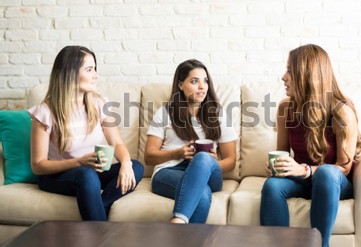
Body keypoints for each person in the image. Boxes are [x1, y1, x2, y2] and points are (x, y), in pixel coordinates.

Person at [260, 44, 361, 247]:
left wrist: (305, 170)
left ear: (307, 75)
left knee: (326, 174)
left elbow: (343, 168)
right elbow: (282, 152)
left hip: (332, 182)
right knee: (272, 186)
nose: (283, 77)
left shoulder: (342, 111)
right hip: (301, 178)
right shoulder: (285, 108)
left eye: (290, 71)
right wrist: (277, 168)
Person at [29, 45, 144, 221]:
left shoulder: (99, 104)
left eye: (95, 69)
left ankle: (100, 209)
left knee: (136, 166)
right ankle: (100, 236)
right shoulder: (45, 112)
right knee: (86, 174)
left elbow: (117, 143)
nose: (95, 75)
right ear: (70, 73)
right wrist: (78, 162)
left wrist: (126, 163)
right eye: (89, 69)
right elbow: (38, 165)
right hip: (56, 176)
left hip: (91, 172)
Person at [145, 59, 237, 224]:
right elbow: (149, 157)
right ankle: (186, 242)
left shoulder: (218, 114)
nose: (202, 86)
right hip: (168, 171)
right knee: (201, 194)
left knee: (202, 158)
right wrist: (178, 153)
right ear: (180, 85)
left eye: (205, 81)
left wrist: (211, 163)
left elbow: (231, 161)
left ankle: (177, 222)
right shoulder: (165, 112)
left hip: (208, 172)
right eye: (195, 81)